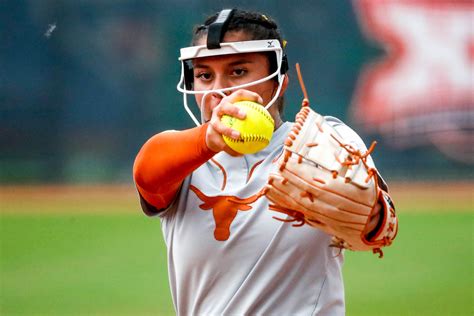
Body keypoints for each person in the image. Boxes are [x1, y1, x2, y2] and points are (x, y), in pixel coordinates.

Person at [133, 8, 397, 315]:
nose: (219, 90)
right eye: (205, 75)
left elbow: (378, 230)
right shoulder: (183, 160)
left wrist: (372, 215)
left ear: (279, 82)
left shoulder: (325, 143)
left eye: (238, 71)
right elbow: (146, 172)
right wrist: (208, 139)